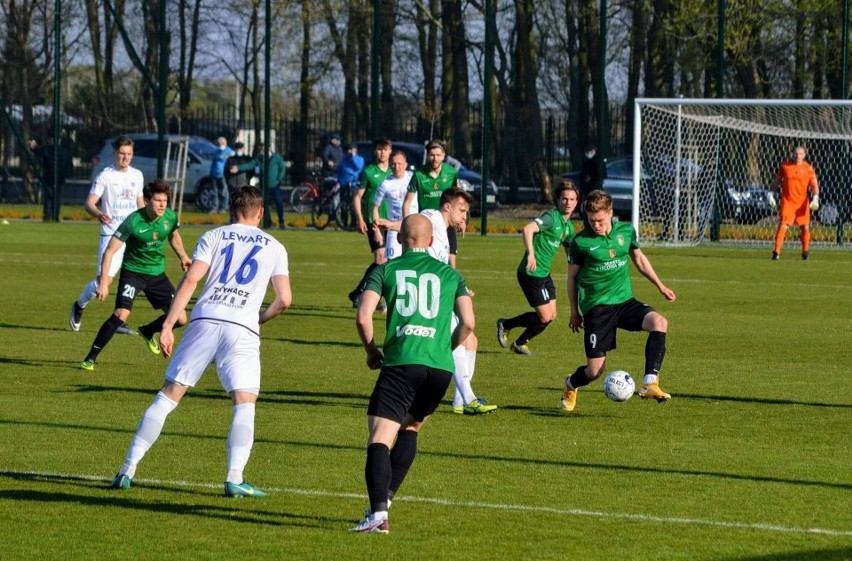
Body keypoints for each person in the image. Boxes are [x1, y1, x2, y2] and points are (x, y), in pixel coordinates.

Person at [110, 185, 292, 497]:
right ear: (260, 213)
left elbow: (191, 279)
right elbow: (285, 300)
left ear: (230, 210)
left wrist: (168, 324)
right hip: (242, 329)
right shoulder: (275, 246)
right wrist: (257, 319)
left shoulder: (214, 236)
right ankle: (235, 476)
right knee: (244, 402)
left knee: (169, 395)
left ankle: (127, 468)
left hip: (205, 320)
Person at [350, 214, 475, 533]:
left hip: (402, 361)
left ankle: (378, 517)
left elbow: (364, 317)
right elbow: (469, 324)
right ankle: (384, 502)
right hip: (440, 368)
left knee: (380, 436)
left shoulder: (385, 269)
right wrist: (445, 349)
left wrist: (371, 350)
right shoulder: (451, 274)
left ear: (401, 239)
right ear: (432, 241)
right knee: (411, 428)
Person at [378, 187, 496, 415]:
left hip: (438, 290)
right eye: (462, 211)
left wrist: (458, 288)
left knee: (470, 340)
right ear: (447, 207)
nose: (464, 217)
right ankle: (468, 398)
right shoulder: (432, 217)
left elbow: (444, 267)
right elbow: (412, 224)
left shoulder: (443, 230)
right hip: (427, 294)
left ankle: (459, 402)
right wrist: (391, 225)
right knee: (458, 336)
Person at [561, 190, 676, 412]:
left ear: (610, 213)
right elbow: (571, 277)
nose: (596, 225)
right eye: (591, 220)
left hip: (625, 302)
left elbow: (639, 259)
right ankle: (571, 383)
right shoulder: (580, 242)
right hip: (597, 309)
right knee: (594, 371)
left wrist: (660, 286)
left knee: (659, 322)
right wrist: (574, 312)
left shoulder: (626, 232)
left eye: (600, 220)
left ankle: (650, 383)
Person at [79, 180, 192, 371]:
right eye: (158, 200)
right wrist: (104, 282)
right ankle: (90, 358)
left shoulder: (169, 217)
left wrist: (183, 256)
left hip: (157, 275)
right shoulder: (133, 221)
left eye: (165, 200)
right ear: (147, 201)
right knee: (121, 314)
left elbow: (174, 235)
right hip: (133, 273)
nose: (162, 204)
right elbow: (109, 251)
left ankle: (148, 331)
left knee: (180, 318)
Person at [69, 135, 145, 335]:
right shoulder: (106, 176)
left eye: (129, 154)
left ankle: (119, 319)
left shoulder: (137, 175)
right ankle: (79, 306)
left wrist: (149, 224)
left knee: (132, 277)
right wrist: (98, 213)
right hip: (112, 234)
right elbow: (89, 203)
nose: (125, 157)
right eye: (122, 153)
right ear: (114, 153)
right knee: (104, 281)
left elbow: (140, 204)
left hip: (133, 235)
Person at [497, 180, 579, 355]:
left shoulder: (569, 227)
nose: (568, 203)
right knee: (544, 317)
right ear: (558, 200)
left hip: (544, 275)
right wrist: (531, 254)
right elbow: (527, 229)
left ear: (576, 202)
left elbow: (570, 253)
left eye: (572, 199)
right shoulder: (551, 217)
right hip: (531, 273)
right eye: (565, 199)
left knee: (551, 315)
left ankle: (519, 343)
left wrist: (579, 271)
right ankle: (506, 324)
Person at [402, 140, 463, 266]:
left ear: (444, 156)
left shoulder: (451, 173)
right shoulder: (419, 175)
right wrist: (408, 224)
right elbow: (407, 203)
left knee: (451, 261)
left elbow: (458, 199)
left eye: (438, 155)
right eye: (432, 155)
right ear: (428, 155)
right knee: (426, 261)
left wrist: (461, 220)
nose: (435, 158)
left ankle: (452, 285)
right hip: (426, 225)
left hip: (446, 222)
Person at [348, 138, 393, 307]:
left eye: (385, 149)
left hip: (391, 222)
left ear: (390, 151)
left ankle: (359, 293)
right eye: (379, 149)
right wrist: (360, 219)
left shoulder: (394, 172)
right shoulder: (368, 172)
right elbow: (358, 196)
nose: (382, 153)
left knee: (388, 260)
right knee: (381, 258)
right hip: (373, 222)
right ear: (375, 151)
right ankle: (367, 295)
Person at [769, 145, 820, 260]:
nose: (798, 156)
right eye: (796, 153)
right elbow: (777, 181)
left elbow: (814, 184)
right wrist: (770, 194)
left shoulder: (808, 168)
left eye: (800, 154)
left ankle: (805, 252)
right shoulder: (785, 166)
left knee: (805, 227)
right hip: (788, 202)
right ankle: (776, 252)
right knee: (783, 225)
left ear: (804, 155)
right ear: (792, 154)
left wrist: (815, 197)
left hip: (802, 203)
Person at [231, 143, 287, 229]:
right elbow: (250, 165)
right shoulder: (260, 159)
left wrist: (279, 179)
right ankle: (268, 222)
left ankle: (281, 221)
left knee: (278, 203)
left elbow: (282, 168)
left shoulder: (276, 157)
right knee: (264, 205)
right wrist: (238, 168)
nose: (262, 151)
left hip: (275, 185)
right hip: (264, 186)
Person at [372, 150, 414, 260]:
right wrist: (377, 231)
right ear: (390, 165)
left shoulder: (414, 179)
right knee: (391, 264)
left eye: (399, 163)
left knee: (412, 262)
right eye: (393, 164)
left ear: (406, 164)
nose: (396, 167)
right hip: (394, 229)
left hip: (413, 228)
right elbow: (375, 207)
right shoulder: (385, 183)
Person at [209, 136, 235, 213]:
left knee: (224, 191)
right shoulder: (216, 151)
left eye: (222, 143)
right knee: (214, 192)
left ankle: (223, 207)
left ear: (225, 143)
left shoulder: (229, 151)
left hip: (223, 174)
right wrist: (211, 172)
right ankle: (214, 207)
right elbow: (213, 163)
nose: (220, 145)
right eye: (219, 143)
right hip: (214, 174)